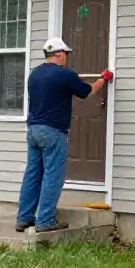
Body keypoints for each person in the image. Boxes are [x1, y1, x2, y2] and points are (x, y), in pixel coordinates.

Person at [15, 37, 113, 233]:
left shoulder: (34, 74)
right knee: (53, 175)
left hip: (33, 130)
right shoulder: (64, 74)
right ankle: (45, 221)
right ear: (59, 54)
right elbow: (88, 91)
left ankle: (24, 218)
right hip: (53, 132)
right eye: (66, 54)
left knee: (33, 174)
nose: (66, 58)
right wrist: (104, 78)